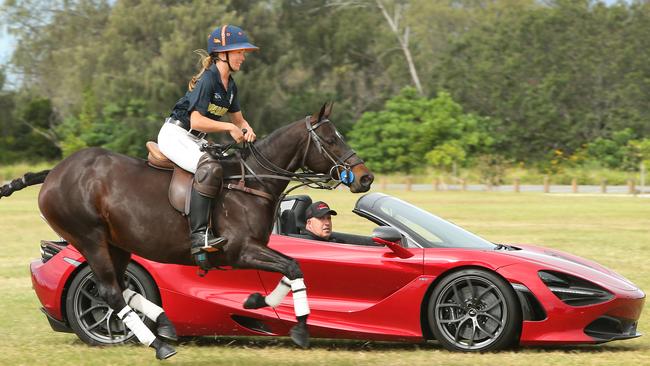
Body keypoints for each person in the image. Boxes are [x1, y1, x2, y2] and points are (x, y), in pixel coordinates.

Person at [157, 25, 258, 264]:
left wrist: (246, 128)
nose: (243, 57)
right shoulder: (209, 79)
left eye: (243, 53)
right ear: (222, 54)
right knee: (210, 169)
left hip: (194, 138)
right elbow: (196, 120)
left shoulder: (230, 86)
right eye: (239, 53)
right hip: (176, 135)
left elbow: (239, 119)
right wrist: (230, 128)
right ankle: (198, 238)